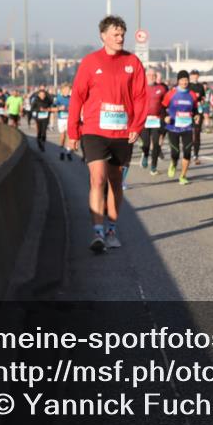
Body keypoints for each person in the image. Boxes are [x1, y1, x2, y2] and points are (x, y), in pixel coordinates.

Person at [67, 15, 147, 253]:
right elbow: (77, 96)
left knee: (115, 182)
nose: (120, 38)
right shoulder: (90, 62)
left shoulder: (132, 62)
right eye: (115, 34)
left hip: (122, 133)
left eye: (122, 34)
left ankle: (112, 228)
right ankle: (98, 232)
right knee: (97, 178)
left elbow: (141, 96)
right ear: (103, 36)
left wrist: (136, 126)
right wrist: (73, 130)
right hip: (94, 130)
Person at [162, 70, 200, 185]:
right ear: (178, 81)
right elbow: (162, 107)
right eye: (182, 80)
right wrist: (165, 117)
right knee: (175, 153)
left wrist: (197, 115)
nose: (184, 82)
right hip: (173, 127)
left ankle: (183, 176)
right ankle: (173, 163)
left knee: (187, 152)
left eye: (186, 79)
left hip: (187, 127)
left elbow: (195, 109)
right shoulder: (171, 93)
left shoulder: (192, 94)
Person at [140, 69, 168, 175]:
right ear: (145, 76)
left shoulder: (161, 88)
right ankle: (146, 155)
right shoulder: (140, 87)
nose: (152, 77)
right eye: (149, 75)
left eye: (154, 75)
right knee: (146, 143)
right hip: (144, 120)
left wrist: (165, 116)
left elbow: (166, 103)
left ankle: (153, 167)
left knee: (156, 144)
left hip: (156, 120)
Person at [187, 70, 207, 165]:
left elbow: (203, 97)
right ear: (190, 76)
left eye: (196, 76)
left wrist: (201, 101)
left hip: (198, 112)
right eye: (193, 75)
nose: (195, 77)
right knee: (188, 134)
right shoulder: (187, 86)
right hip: (188, 112)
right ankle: (187, 153)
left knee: (197, 133)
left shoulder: (200, 86)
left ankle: (196, 155)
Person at [30, 86, 54, 152]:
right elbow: (32, 109)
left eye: (43, 95)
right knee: (39, 131)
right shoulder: (36, 100)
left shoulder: (47, 100)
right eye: (41, 95)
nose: (42, 96)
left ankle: (43, 144)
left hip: (46, 118)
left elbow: (52, 104)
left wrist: (49, 109)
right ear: (38, 95)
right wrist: (39, 109)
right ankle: (38, 141)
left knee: (44, 131)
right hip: (38, 118)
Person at [54, 84, 74, 160]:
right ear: (62, 90)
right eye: (65, 90)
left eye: (68, 90)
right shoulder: (59, 97)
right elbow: (54, 106)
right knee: (62, 136)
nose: (67, 91)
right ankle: (61, 151)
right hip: (61, 119)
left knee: (69, 135)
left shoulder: (71, 97)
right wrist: (59, 108)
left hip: (69, 118)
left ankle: (68, 151)